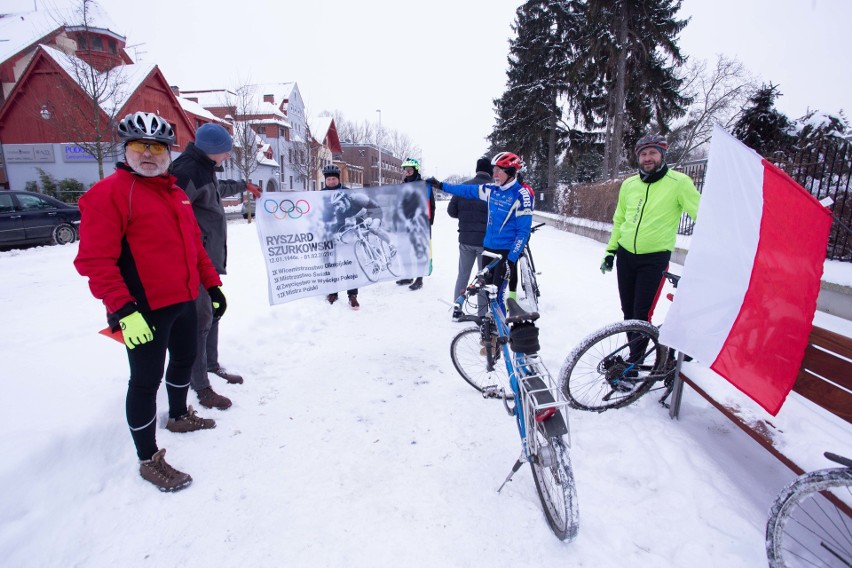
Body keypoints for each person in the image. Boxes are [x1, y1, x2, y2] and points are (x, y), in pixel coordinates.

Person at [74, 112, 222, 492]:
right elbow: (95, 262)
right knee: (144, 382)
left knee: (186, 358)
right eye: (140, 145)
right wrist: (124, 312)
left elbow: (195, 249)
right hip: (140, 309)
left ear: (168, 152)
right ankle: (147, 457)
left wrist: (212, 286)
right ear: (125, 150)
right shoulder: (107, 195)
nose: (149, 153)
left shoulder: (175, 195)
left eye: (157, 146)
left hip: (184, 299)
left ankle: (177, 415)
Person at [171, 123, 261, 411]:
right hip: (191, 260)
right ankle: (200, 386)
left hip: (207, 257)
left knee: (214, 312)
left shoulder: (202, 167)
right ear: (214, 150)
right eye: (226, 151)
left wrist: (243, 186)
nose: (227, 156)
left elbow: (216, 189)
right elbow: (171, 212)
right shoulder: (185, 171)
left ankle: (210, 365)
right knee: (200, 319)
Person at [601, 133, 700, 357]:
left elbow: (702, 216)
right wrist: (610, 252)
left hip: (654, 259)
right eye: (643, 154)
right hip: (626, 257)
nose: (648, 158)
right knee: (628, 312)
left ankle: (633, 364)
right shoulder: (629, 184)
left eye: (653, 153)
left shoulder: (679, 183)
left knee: (641, 314)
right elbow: (620, 220)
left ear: (662, 155)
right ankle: (634, 357)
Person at [426, 151, 533, 312]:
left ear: (511, 172)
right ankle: (490, 333)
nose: (494, 174)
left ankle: (503, 334)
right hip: (488, 250)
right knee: (487, 293)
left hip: (504, 254)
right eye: (493, 169)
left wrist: (511, 260)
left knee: (497, 297)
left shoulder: (521, 195)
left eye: (499, 170)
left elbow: (523, 233)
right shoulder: (491, 189)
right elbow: (465, 190)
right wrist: (440, 185)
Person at [447, 156, 491, 321]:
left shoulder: (463, 187)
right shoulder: (493, 189)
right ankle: (482, 315)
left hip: (465, 239)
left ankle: (457, 309)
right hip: (486, 243)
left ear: (476, 169)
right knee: (483, 278)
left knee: (463, 275)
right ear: (490, 171)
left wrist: (464, 215)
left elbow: (451, 211)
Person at [321, 164, 360, 310]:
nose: (331, 181)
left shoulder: (348, 193)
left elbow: (356, 209)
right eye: (329, 179)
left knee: (350, 264)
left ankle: (353, 295)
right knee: (331, 265)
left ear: (338, 179)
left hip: (346, 234)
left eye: (333, 179)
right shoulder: (320, 194)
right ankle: (332, 292)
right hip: (329, 235)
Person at [396, 158, 435, 291]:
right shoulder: (402, 186)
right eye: (405, 170)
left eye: (410, 170)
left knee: (419, 250)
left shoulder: (423, 185)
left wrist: (428, 223)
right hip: (406, 223)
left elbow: (431, 205)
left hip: (420, 223)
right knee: (406, 250)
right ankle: (408, 275)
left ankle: (419, 278)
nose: (407, 172)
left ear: (415, 170)